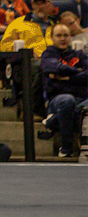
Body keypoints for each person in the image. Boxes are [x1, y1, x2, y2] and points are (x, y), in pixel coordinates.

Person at [40, 24, 88, 157]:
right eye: (59, 35)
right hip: (57, 99)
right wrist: (78, 72)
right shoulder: (48, 54)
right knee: (68, 100)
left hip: (81, 99)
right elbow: (54, 67)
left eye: (66, 35)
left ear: (70, 37)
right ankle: (67, 147)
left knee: (79, 107)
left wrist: (66, 78)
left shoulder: (79, 55)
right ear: (52, 38)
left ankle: (53, 120)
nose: (62, 39)